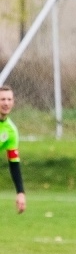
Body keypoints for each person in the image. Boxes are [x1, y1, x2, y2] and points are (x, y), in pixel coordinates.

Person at [0, 85, 26, 214]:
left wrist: (20, 192)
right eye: (2, 99)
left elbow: (14, 163)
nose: (6, 103)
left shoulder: (11, 131)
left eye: (9, 99)